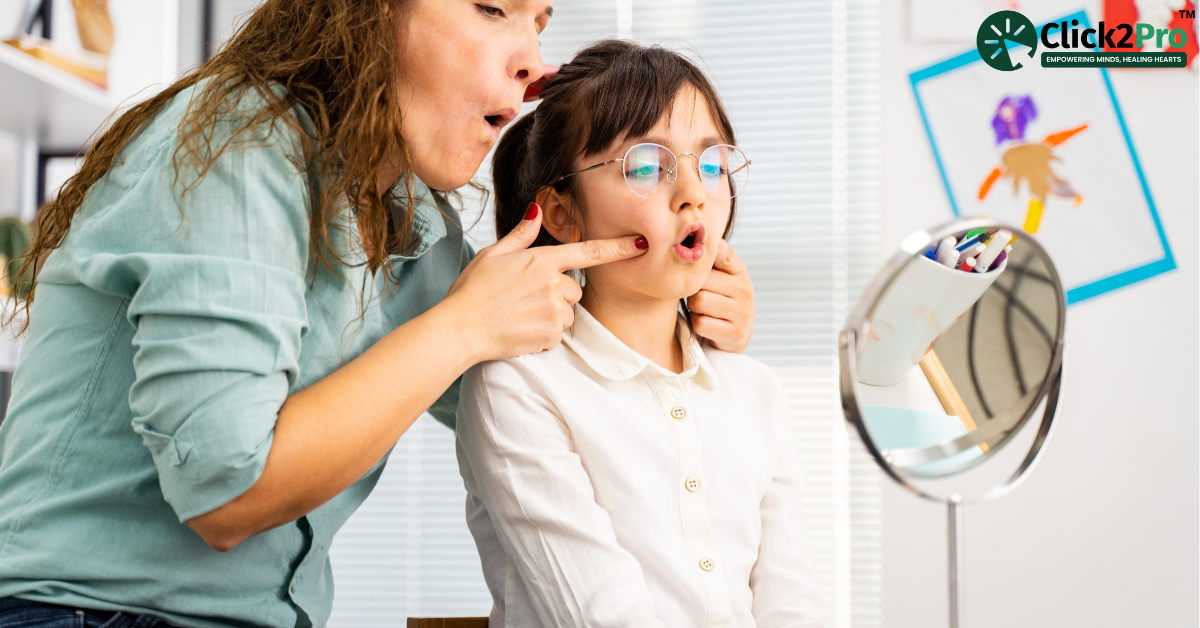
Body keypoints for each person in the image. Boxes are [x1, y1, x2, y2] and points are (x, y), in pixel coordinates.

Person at [0, 2, 757, 627]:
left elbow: (561, 408)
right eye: (494, 8)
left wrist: (687, 338)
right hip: (77, 613)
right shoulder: (237, 143)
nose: (534, 61)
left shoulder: (419, 231)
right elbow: (225, 491)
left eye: (539, 20)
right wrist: (464, 326)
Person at [456, 40, 828, 628]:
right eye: (648, 167)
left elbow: (794, 602)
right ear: (560, 213)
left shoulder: (755, 390)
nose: (693, 194)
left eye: (710, 164)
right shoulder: (518, 385)